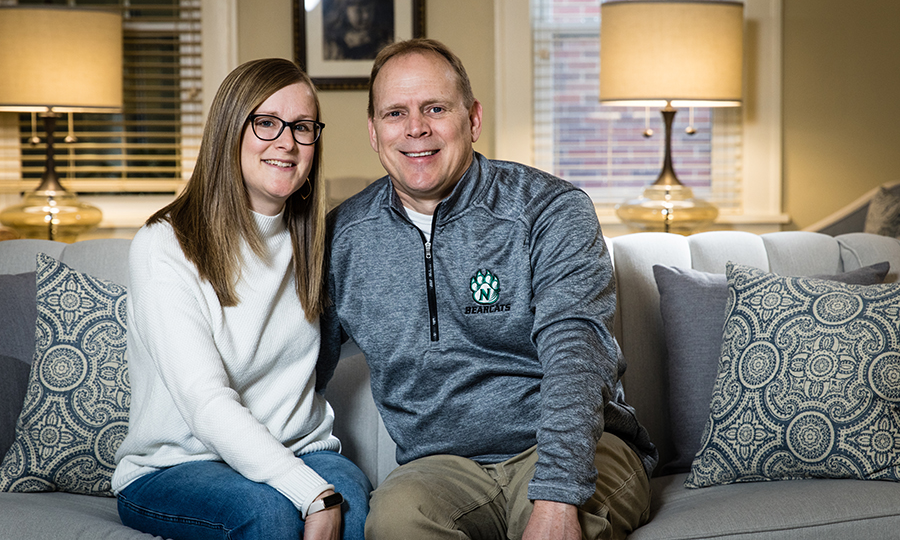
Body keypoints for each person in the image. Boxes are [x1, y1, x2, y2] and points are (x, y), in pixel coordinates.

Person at [320, 38, 658, 540]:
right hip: (439, 469)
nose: (416, 128)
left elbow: (576, 355)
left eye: (435, 108)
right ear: (374, 131)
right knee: (394, 523)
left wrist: (559, 496)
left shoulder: (549, 210)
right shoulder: (343, 238)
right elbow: (296, 364)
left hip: (572, 449)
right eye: (396, 113)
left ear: (473, 119)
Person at [112, 58, 372, 540]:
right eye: (267, 123)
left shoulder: (319, 243)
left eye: (302, 127)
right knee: (271, 514)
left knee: (354, 511)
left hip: (304, 449)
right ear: (230, 131)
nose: (287, 142)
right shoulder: (165, 245)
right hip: (179, 466)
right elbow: (205, 402)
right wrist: (310, 493)